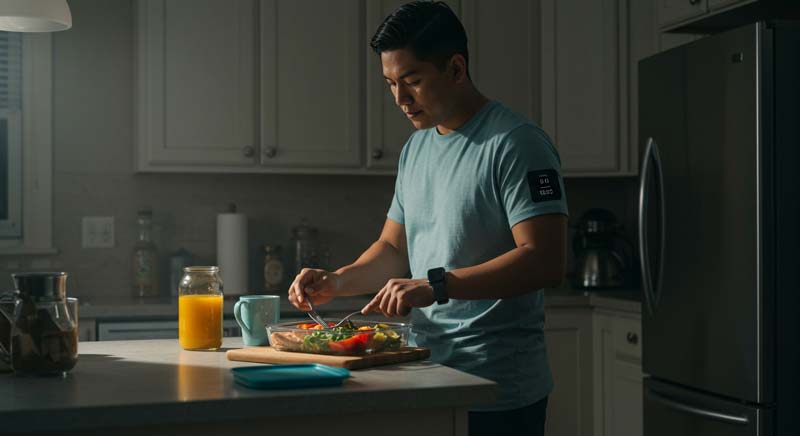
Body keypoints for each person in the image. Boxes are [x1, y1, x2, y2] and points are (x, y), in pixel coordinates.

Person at [288, 2, 568, 435]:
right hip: (426, 373)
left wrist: (436, 284)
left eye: (413, 81)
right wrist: (337, 282)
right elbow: (393, 248)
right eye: (390, 84)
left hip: (497, 388)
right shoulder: (416, 149)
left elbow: (544, 259)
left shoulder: (516, 144)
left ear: (456, 69)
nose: (400, 99)